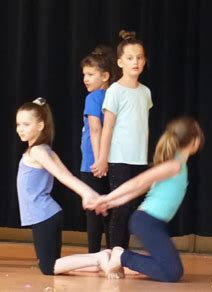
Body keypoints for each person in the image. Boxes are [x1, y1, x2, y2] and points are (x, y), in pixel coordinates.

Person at [55, 117, 203, 283]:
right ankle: (121, 256)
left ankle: (123, 257)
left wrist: (108, 203)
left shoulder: (176, 164)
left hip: (150, 223)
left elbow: (139, 190)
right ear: (195, 142)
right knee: (172, 272)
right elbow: (137, 183)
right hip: (148, 222)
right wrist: (107, 198)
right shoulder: (173, 166)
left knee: (172, 269)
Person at [15, 98, 99, 275]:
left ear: (40, 126)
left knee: (48, 267)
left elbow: (63, 176)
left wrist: (86, 194)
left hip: (43, 215)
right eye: (18, 124)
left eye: (26, 124)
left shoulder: (38, 151)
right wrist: (90, 193)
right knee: (55, 264)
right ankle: (101, 260)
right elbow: (68, 176)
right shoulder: (45, 149)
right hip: (49, 214)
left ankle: (98, 258)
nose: (20, 129)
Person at [91, 30, 152, 249]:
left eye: (139, 57)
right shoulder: (115, 91)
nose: (135, 62)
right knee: (121, 207)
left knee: (133, 207)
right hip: (120, 159)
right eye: (130, 58)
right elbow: (107, 127)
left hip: (139, 159)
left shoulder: (145, 92)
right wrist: (102, 158)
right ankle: (114, 254)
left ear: (144, 60)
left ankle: (122, 254)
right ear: (120, 62)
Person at [79, 45, 118, 254]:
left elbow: (96, 129)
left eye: (91, 74)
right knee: (110, 211)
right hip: (111, 161)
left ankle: (93, 255)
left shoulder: (94, 97)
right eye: (84, 74)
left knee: (94, 212)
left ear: (105, 76)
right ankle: (113, 252)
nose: (86, 79)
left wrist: (98, 160)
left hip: (93, 164)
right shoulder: (115, 95)